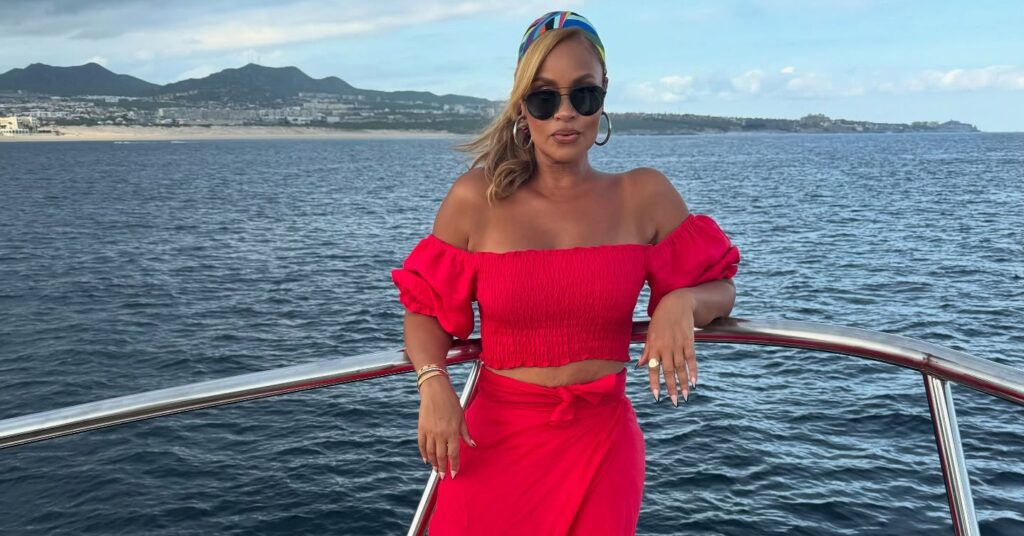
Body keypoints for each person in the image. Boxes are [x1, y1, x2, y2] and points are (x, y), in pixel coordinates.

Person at [391, 10, 741, 535]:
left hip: (603, 447)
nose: (565, 114)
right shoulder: (476, 198)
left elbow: (722, 289)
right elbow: (424, 310)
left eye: (583, 96)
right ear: (521, 106)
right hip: (491, 442)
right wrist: (434, 385)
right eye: (544, 98)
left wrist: (681, 302)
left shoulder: (642, 195)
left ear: (603, 97)